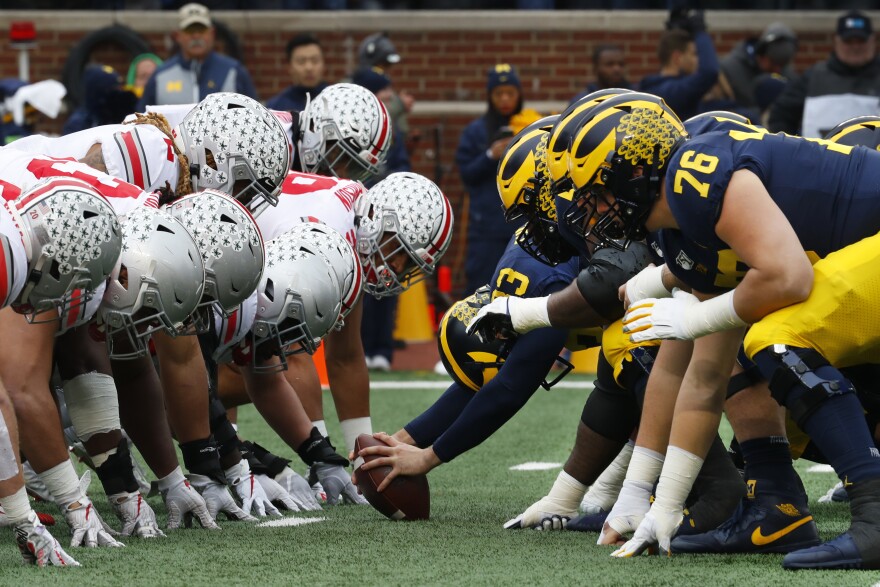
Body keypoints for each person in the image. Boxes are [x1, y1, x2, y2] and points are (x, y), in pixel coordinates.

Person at [479, 91, 880, 569]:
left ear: (636, 170)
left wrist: (695, 317)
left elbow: (788, 277)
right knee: (742, 351)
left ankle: (874, 519)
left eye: (598, 191)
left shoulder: (696, 173)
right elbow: (699, 378)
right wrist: (654, 501)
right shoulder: (681, 234)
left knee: (777, 338)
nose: (590, 210)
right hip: (858, 260)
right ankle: (778, 504)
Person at [351, 65, 412, 372]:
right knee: (356, 284)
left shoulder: (392, 132)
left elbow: (403, 166)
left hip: (386, 218)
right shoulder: (349, 126)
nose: (387, 98)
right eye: (381, 93)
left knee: (387, 281)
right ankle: (359, 348)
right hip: (352, 217)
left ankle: (382, 350)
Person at [457, 63, 530, 296]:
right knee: (480, 288)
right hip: (486, 228)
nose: (505, 99)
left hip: (522, 226)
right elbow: (467, 173)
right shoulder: (475, 131)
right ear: (490, 97)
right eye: (499, 94)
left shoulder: (530, 124)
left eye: (511, 93)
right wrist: (490, 155)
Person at [769, 10, 880, 137]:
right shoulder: (812, 77)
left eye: (861, 41)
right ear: (836, 41)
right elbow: (781, 115)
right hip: (817, 156)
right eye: (848, 41)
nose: (855, 47)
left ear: (873, 41)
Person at [137, 3, 258, 110]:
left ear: (212, 33)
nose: (196, 36)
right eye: (190, 30)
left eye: (201, 30)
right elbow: (142, 122)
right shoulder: (160, 76)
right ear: (178, 36)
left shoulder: (233, 71)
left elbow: (256, 114)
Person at [638, 10, 718, 121]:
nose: (698, 60)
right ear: (677, 58)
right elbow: (709, 73)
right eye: (694, 54)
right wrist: (700, 31)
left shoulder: (666, 86)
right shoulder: (666, 91)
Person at [708, 23, 797, 120]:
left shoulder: (785, 71)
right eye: (773, 64)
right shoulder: (731, 68)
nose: (777, 70)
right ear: (761, 54)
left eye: (782, 65)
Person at [63, 65, 137, 135]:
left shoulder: (121, 115)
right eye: (113, 89)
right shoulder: (79, 123)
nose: (118, 94)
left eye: (120, 88)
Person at [266, 33, 329, 113]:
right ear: (289, 67)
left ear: (324, 65)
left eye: (315, 61)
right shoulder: (275, 108)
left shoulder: (337, 101)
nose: (309, 67)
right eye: (301, 61)